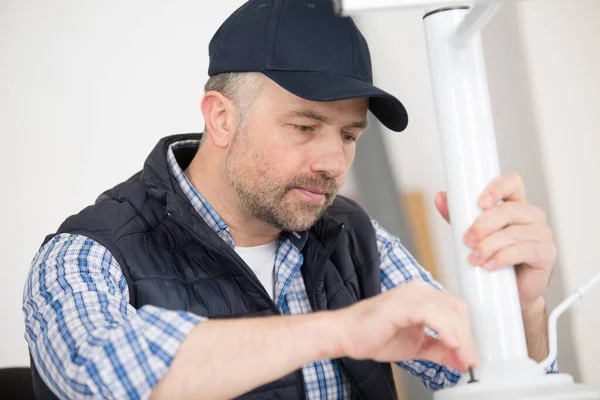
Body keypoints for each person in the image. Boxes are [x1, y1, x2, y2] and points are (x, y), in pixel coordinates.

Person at [22, 0, 558, 399]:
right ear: (222, 117)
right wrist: (342, 330)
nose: (333, 163)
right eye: (305, 126)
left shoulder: (355, 235)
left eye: (349, 136)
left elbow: (487, 379)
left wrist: (521, 307)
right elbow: (97, 374)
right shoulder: (88, 251)